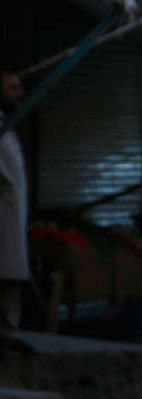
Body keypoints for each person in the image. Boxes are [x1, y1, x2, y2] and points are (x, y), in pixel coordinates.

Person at [0, 73, 29, 341]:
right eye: (13, 88)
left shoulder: (8, 128)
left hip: (12, 217)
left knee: (10, 278)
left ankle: (9, 336)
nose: (19, 94)